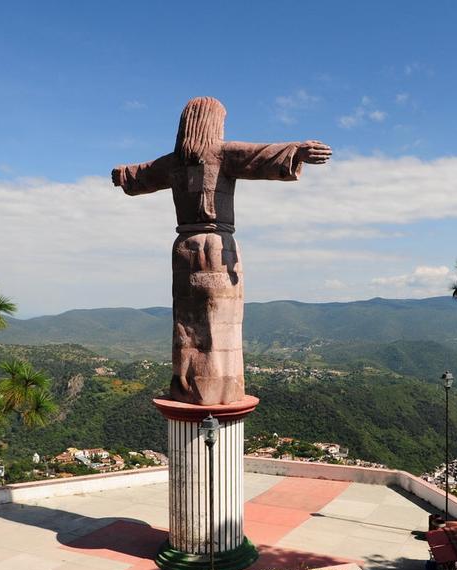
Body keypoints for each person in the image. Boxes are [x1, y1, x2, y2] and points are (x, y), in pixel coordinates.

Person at [112, 96, 330, 405]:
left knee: (186, 325)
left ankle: (188, 385)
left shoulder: (172, 162)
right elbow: (261, 156)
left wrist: (122, 175)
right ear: (214, 123)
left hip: (183, 250)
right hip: (218, 248)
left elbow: (140, 175)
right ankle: (220, 389)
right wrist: (298, 150)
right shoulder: (221, 154)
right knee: (220, 326)